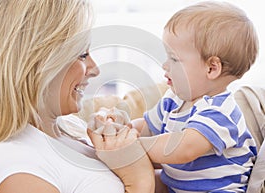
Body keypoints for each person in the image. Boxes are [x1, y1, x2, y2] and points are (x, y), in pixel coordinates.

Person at [0, 0, 155, 193]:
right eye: (82, 54)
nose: (95, 69)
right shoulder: (19, 167)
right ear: (37, 62)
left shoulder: (71, 131)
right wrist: (139, 180)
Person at [88, 1, 259, 192]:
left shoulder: (221, 112)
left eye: (174, 59)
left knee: (140, 172)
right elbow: (148, 127)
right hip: (177, 185)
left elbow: (183, 149)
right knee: (127, 179)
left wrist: (131, 148)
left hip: (219, 189)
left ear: (211, 68)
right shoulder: (173, 100)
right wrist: (122, 129)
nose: (165, 65)